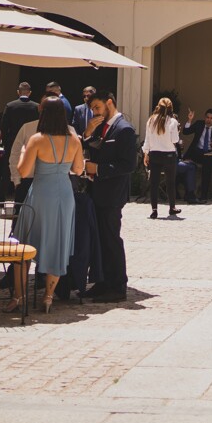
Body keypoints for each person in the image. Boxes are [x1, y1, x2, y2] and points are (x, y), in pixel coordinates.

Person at [11, 96, 83, 314]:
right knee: (57, 244)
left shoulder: (37, 139)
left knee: (23, 245)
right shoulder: (74, 139)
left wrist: (24, 153)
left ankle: (19, 296)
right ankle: (49, 297)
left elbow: (23, 172)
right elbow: (78, 170)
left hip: (41, 193)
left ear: (43, 114)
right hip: (64, 194)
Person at [82, 90, 137, 302]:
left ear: (109, 103)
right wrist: (87, 132)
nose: (94, 112)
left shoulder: (124, 129)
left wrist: (100, 169)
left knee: (112, 239)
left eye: (97, 108)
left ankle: (117, 286)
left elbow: (129, 165)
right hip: (96, 192)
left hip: (112, 194)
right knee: (100, 240)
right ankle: (102, 281)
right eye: (91, 109)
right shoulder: (100, 127)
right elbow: (89, 145)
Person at [142, 96, 182, 219]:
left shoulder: (150, 121)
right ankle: (172, 207)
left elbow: (147, 140)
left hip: (154, 154)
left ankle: (154, 210)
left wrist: (145, 154)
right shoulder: (173, 121)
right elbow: (175, 140)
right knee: (170, 182)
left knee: (154, 183)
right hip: (169, 155)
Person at [181, 107, 212, 200]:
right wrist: (190, 119)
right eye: (207, 117)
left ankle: (203, 195)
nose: (209, 120)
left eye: (211, 118)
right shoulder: (199, 124)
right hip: (197, 152)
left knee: (207, 168)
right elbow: (185, 132)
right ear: (205, 117)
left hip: (210, 154)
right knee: (184, 165)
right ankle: (187, 193)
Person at [0, 82, 39, 158]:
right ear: (29, 93)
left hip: (13, 141)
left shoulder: (10, 106)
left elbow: (4, 126)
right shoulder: (36, 107)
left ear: (18, 92)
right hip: (30, 142)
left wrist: (5, 142)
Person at [8, 109, 39, 202]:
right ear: (40, 108)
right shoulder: (28, 127)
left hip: (56, 184)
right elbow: (15, 153)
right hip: (27, 180)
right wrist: (17, 180)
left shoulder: (69, 131)